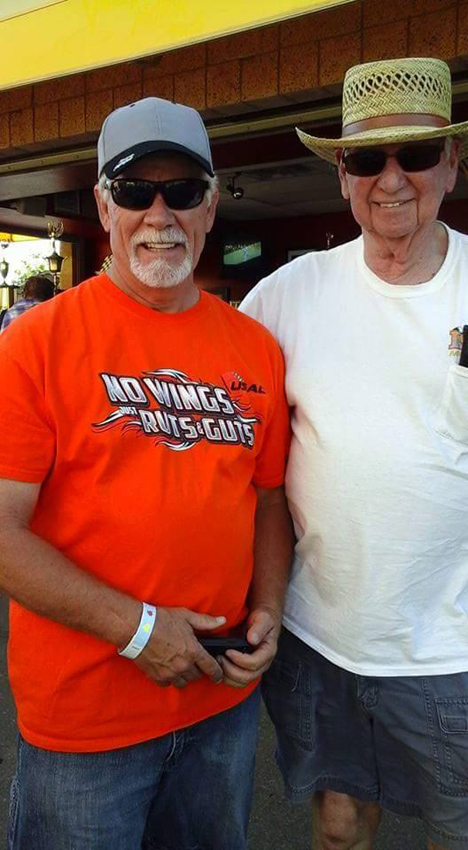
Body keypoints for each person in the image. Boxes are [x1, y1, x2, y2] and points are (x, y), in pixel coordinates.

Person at [0, 96, 293, 850]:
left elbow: (268, 498)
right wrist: (138, 632)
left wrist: (268, 605)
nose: (159, 215)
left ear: (211, 206)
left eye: (182, 191)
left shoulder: (256, 347)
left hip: (220, 707)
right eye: (135, 191)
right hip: (84, 729)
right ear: (104, 206)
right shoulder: (35, 345)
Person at [240, 57, 468, 850]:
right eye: (368, 159)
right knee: (338, 827)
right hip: (320, 637)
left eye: (417, 154)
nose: (392, 179)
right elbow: (220, 431)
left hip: (451, 647)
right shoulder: (283, 296)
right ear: (342, 174)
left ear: (452, 163)